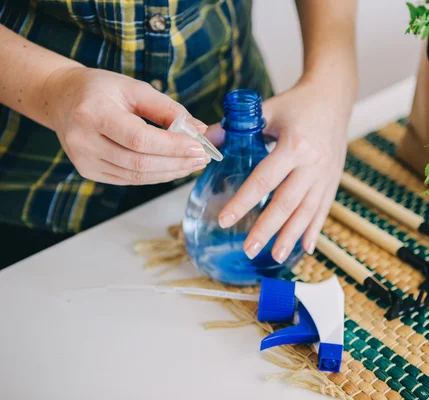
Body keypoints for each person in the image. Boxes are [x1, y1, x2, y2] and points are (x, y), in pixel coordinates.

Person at [0, 1, 358, 269]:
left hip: (231, 114)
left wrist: (332, 80)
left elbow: (333, 77)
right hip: (32, 188)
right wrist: (49, 87)